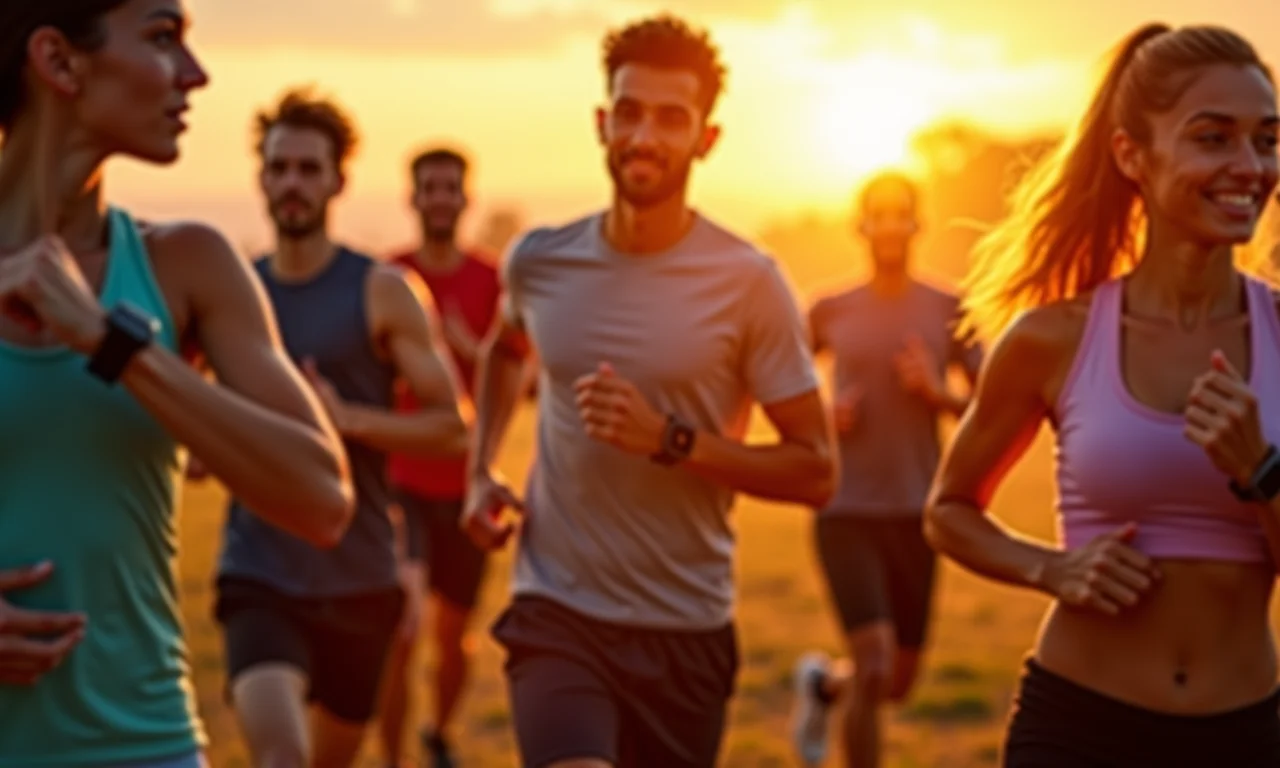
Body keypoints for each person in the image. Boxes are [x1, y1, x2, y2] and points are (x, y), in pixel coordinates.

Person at [463, 14, 837, 768]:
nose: (644, 136)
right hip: (556, 608)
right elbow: (503, 353)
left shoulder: (750, 284)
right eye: (629, 113)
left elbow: (816, 470)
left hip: (684, 626)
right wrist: (479, 470)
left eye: (672, 118)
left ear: (707, 139)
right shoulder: (539, 262)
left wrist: (669, 440)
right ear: (602, 123)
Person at [0, 3, 355, 767]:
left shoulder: (187, 267)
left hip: (142, 745)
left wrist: (113, 344)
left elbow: (322, 497)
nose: (196, 75)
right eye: (164, 40)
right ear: (59, 62)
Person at [924, 23, 1280, 767]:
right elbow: (950, 511)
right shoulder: (1054, 338)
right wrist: (1047, 567)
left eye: (1267, 141)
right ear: (1132, 156)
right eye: (1213, 139)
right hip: (1078, 727)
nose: (1249, 166)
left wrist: (1261, 470)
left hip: (1245, 735)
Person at [203, 88, 468, 768]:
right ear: (260, 177)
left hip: (359, 576)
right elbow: (192, 428)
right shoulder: (232, 295)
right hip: (258, 572)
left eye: (308, 169)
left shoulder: (382, 290)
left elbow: (452, 427)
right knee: (281, 757)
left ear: (337, 181)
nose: (292, 183)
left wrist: (344, 419)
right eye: (280, 167)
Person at [789, 171, 982, 768]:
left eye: (902, 214)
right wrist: (823, 414)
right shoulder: (828, 309)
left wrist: (936, 393)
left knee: (896, 681)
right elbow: (776, 388)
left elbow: (993, 405)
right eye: (879, 214)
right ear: (861, 225)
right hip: (844, 509)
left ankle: (824, 687)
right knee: (874, 663)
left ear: (918, 224)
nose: (891, 226)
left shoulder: (951, 308)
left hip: (919, 512)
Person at [377, 146, 501, 768]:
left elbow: (519, 381)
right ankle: (394, 758)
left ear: (465, 197)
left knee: (455, 639)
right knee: (403, 630)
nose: (441, 198)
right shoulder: (389, 278)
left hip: (468, 485)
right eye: (430, 187)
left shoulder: (491, 279)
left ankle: (439, 735)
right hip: (401, 479)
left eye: (451, 187)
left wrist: (464, 348)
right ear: (414, 197)